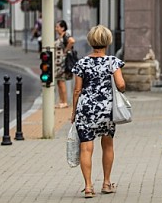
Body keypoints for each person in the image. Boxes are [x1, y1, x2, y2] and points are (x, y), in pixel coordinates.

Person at [71, 25, 126, 198]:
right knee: (107, 144)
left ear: (91, 41)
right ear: (107, 42)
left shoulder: (82, 62)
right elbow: (121, 84)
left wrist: (74, 112)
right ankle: (106, 183)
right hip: (106, 110)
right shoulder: (112, 61)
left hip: (86, 109)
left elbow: (77, 90)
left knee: (86, 148)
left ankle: (88, 187)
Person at [54, 20, 75, 108]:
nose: (56, 29)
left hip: (62, 62)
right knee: (59, 81)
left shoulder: (66, 35)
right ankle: (61, 101)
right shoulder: (60, 36)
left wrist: (66, 50)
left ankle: (65, 101)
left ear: (63, 28)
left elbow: (72, 41)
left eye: (57, 27)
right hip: (58, 62)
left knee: (61, 80)